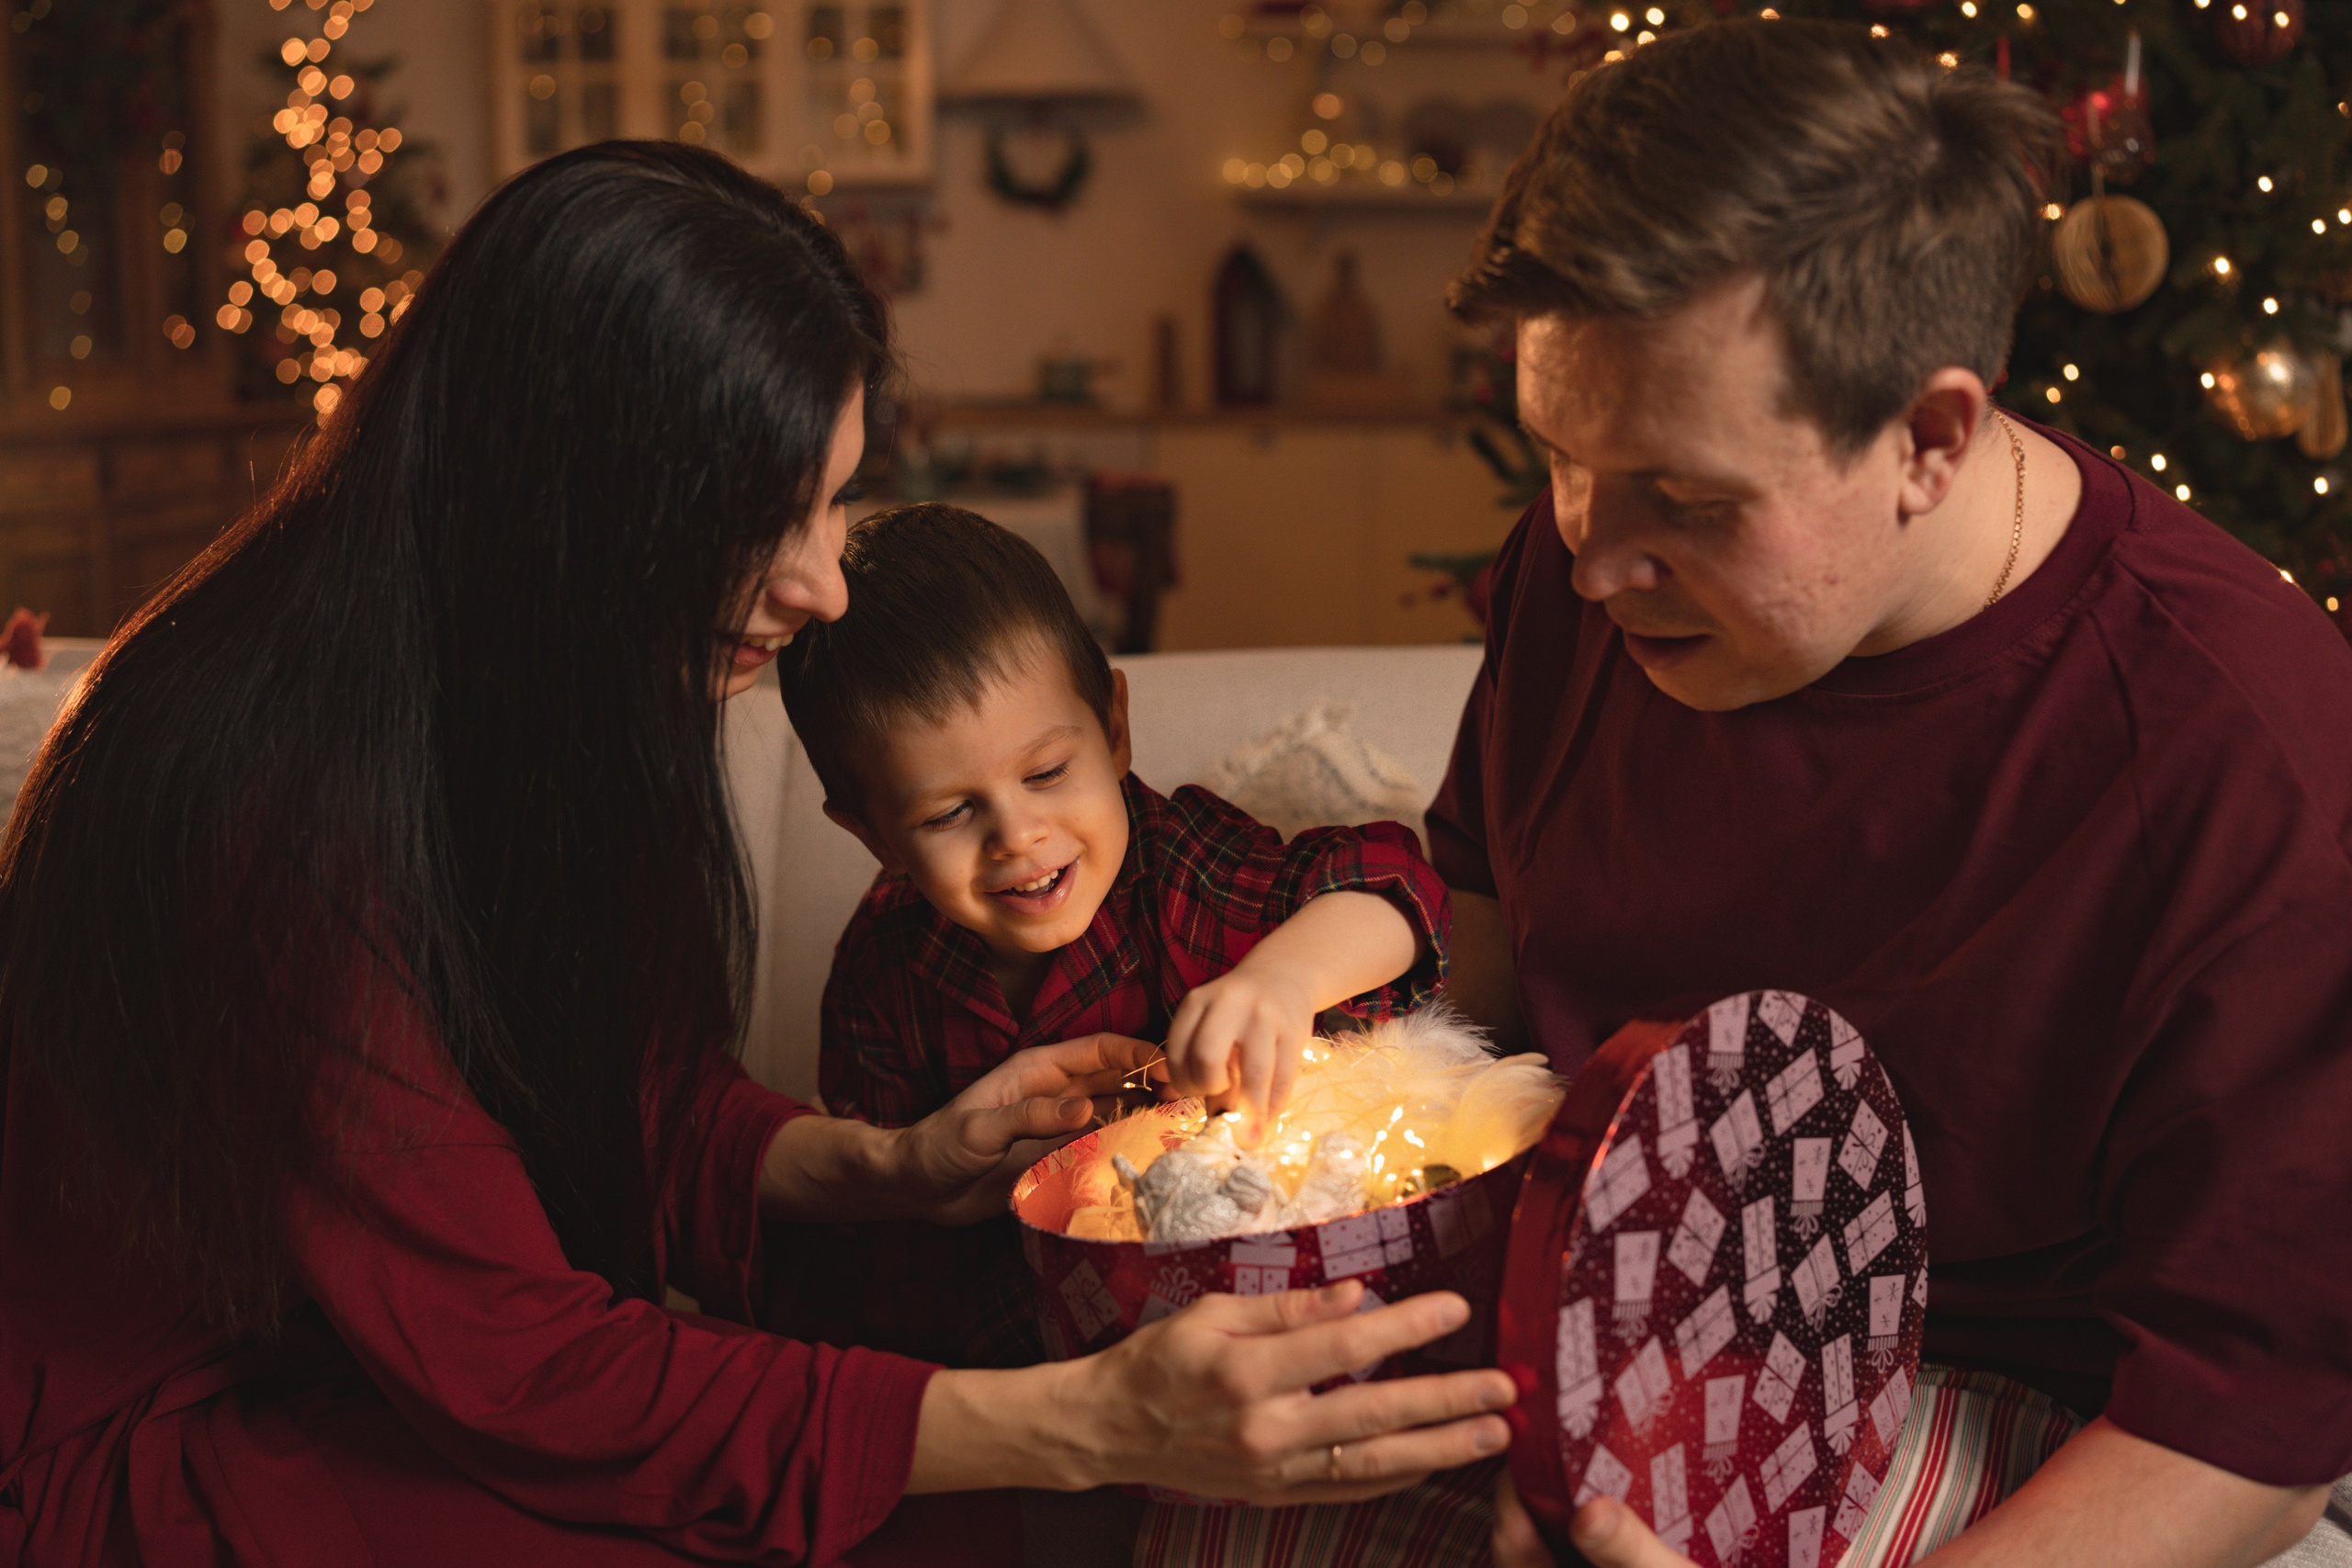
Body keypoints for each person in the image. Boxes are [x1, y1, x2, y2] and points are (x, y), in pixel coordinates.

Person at [0, 142, 1517, 1568]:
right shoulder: (264, 799)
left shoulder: (547, 703)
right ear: (571, 503)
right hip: (187, 1436)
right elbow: (517, 1363)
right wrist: (1088, 1422)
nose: (824, 588)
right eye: (759, 520)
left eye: (834, 500)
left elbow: (621, 1097)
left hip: (397, 1370)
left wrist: (891, 1167)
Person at [1424, 20, 2352, 1568]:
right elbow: (1475, 986)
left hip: (2023, 1418)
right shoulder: (1587, 572)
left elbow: (2241, 1434)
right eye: (1559, 459)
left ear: (1929, 439)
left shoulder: (2244, 752)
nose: (1589, 558)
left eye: (1687, 501)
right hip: (1590, 1318)